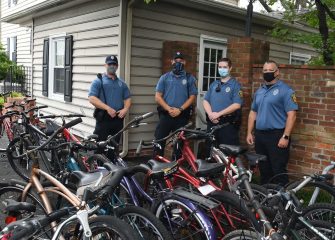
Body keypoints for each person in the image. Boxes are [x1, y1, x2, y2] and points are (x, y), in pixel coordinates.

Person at [246, 60, 298, 186]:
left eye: (270, 70)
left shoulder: (286, 91)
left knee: (278, 170)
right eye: (265, 71)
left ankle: (284, 202)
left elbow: (292, 115)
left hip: (277, 136)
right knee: (264, 169)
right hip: (260, 136)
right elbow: (253, 113)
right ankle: (266, 198)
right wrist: (249, 132)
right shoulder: (259, 91)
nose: (267, 73)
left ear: (277, 72)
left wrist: (285, 136)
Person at [154, 51, 198, 158]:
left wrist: (180, 109)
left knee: (179, 145)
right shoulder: (164, 78)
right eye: (176, 60)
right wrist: (169, 109)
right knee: (159, 141)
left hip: (181, 116)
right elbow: (157, 97)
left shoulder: (189, 78)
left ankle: (176, 168)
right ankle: (156, 167)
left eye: (181, 61)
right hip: (166, 115)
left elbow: (192, 97)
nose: (178, 62)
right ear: (172, 62)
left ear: (185, 62)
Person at [88, 55, 131, 145]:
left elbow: (128, 98)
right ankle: (99, 159)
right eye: (110, 64)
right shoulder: (98, 81)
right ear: (105, 65)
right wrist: (107, 108)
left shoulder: (122, 83)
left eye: (114, 64)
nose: (112, 66)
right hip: (104, 118)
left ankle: (112, 159)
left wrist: (125, 109)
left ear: (117, 66)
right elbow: (92, 98)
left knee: (114, 146)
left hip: (118, 119)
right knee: (101, 146)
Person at [203, 57, 243, 148]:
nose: (222, 69)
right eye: (220, 67)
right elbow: (205, 100)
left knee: (227, 154)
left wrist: (219, 114)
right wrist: (211, 114)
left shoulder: (236, 85)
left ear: (230, 68)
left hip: (227, 125)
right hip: (212, 123)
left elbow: (237, 105)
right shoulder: (214, 84)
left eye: (225, 67)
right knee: (210, 152)